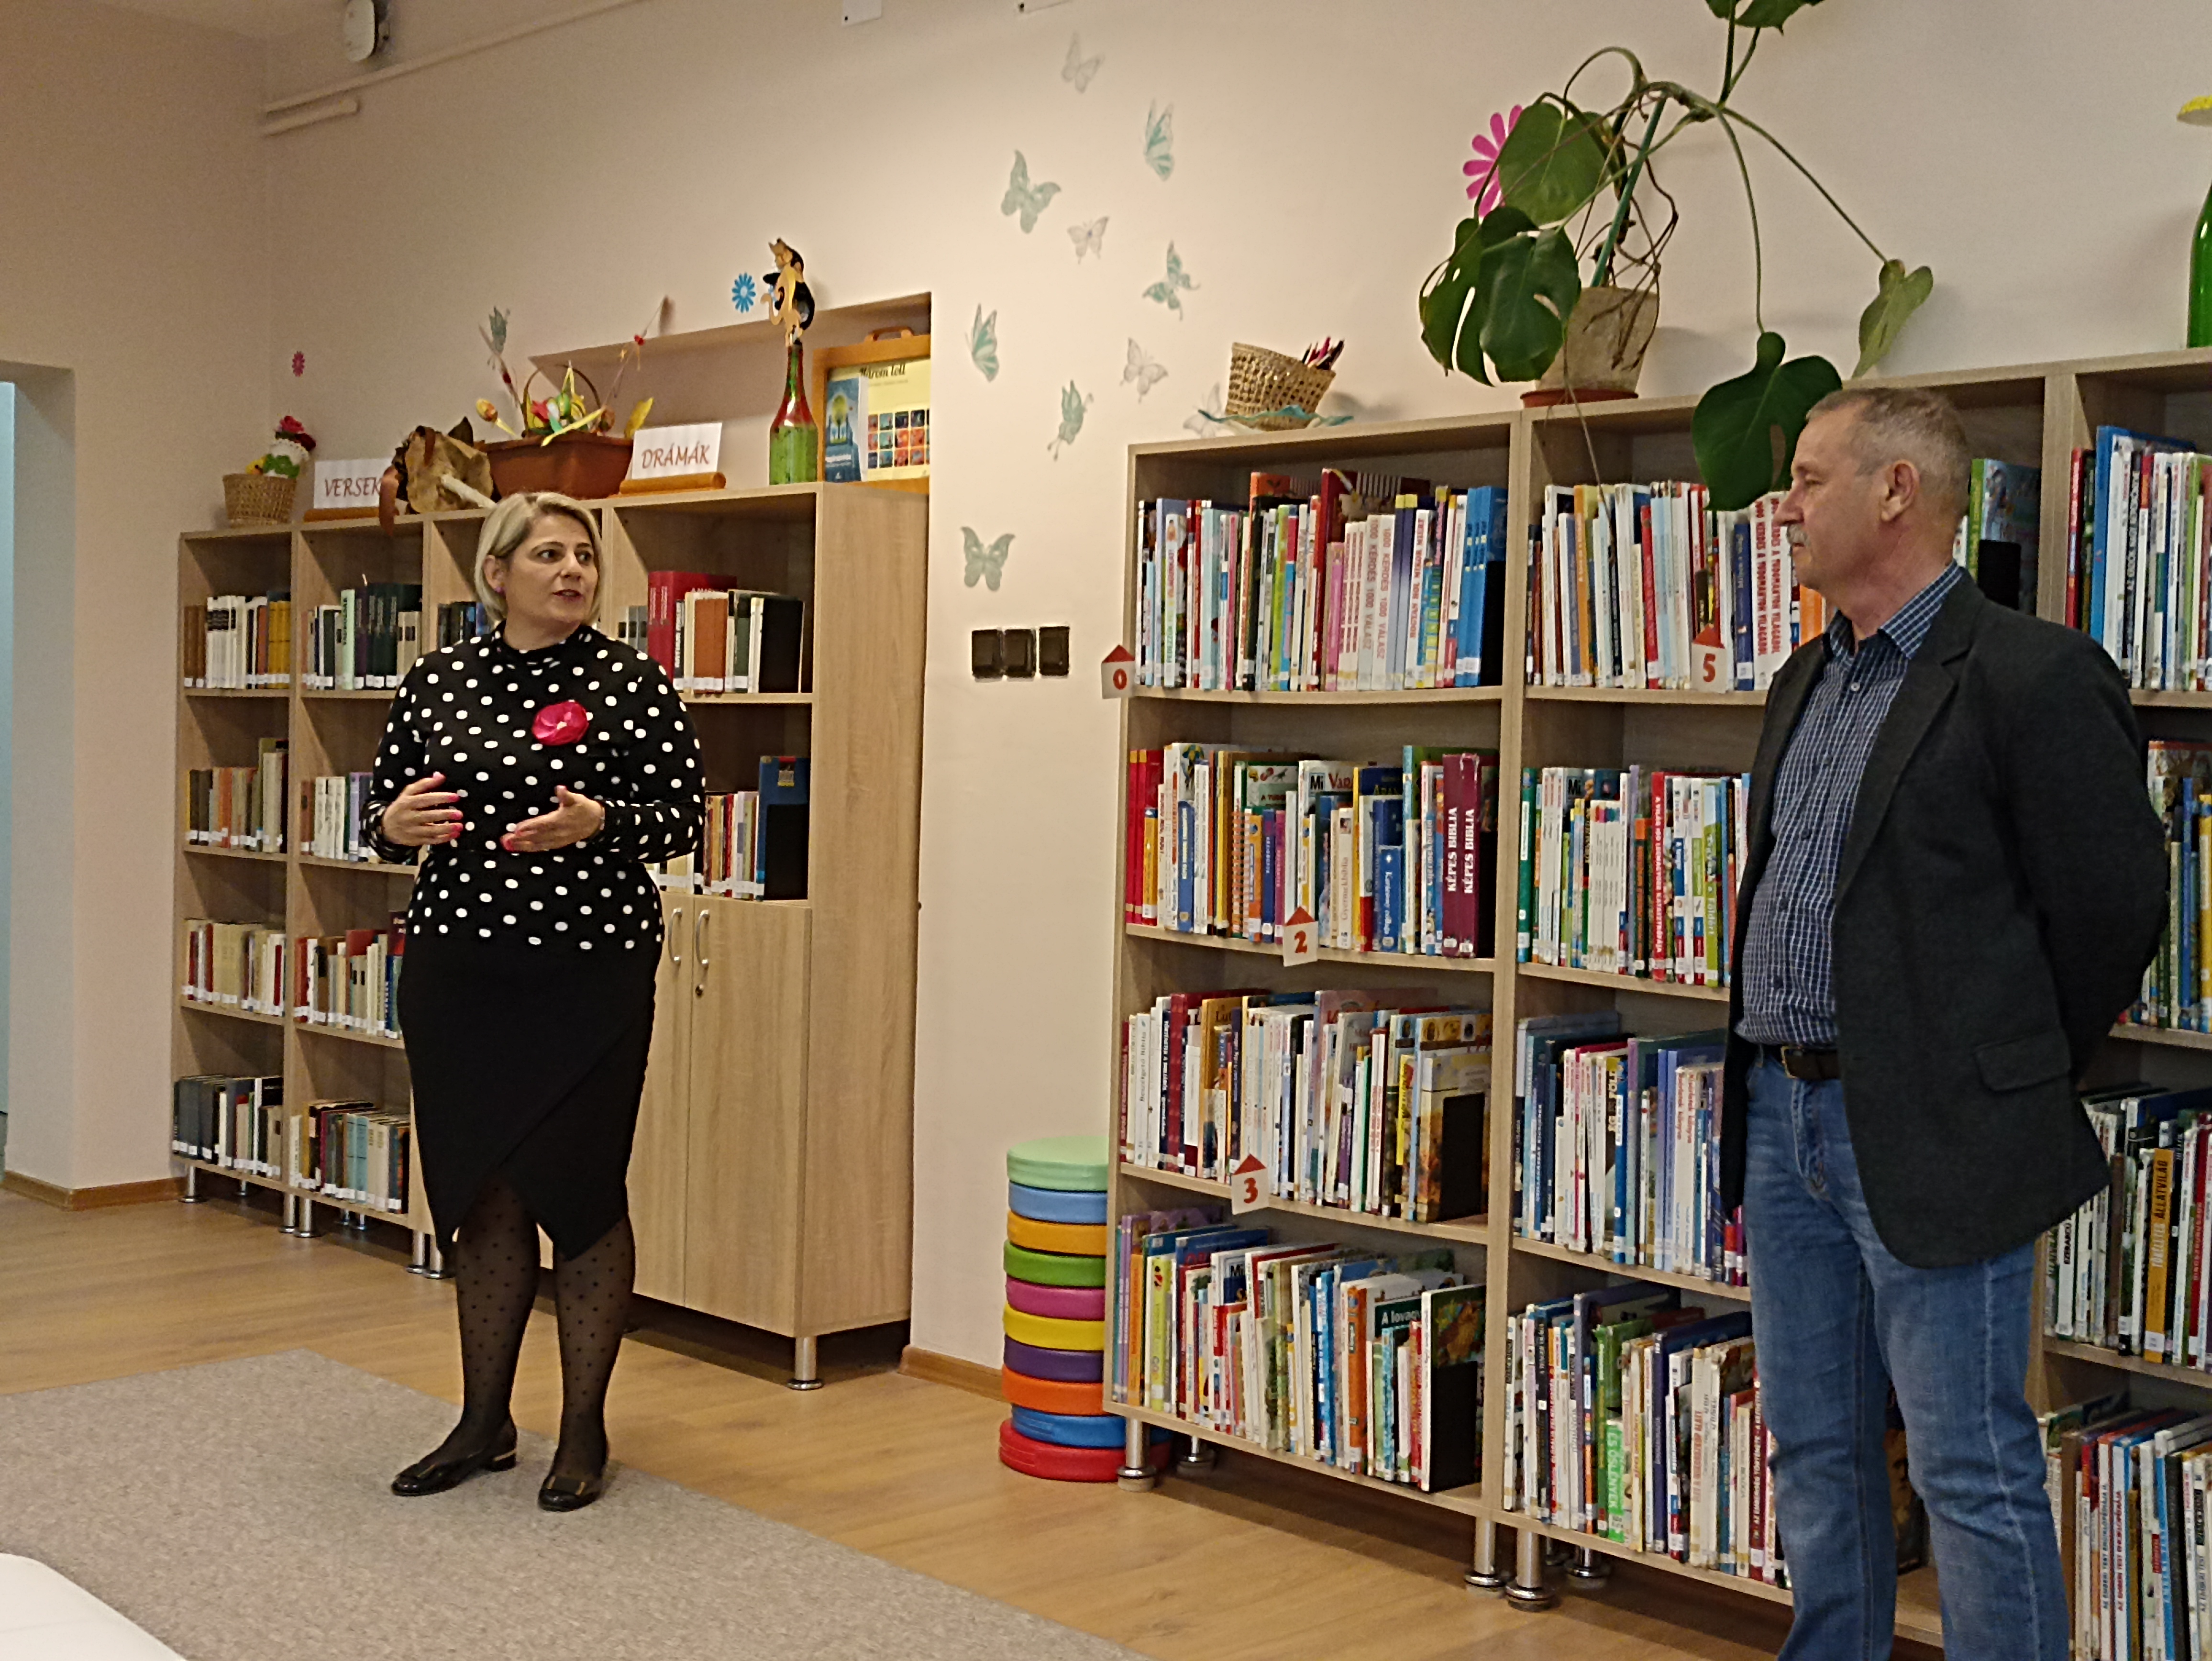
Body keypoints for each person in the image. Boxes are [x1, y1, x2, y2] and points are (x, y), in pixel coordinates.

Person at [1724, 385, 2166, 1660]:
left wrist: (1999, 1072)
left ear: (1895, 491)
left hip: (1938, 1126)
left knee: (1969, 1463)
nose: (1783, 506)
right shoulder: (1805, 677)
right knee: (1814, 1446)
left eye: (1809, 478)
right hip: (1784, 1117)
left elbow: (2111, 907)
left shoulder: (2033, 675)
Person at [364, 490, 704, 1512]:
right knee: (482, 1192)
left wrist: (602, 823)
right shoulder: (439, 679)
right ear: (497, 573)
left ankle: (584, 1428)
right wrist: (393, 826)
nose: (572, 571)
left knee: (582, 1190)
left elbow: (682, 817)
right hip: (461, 974)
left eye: (584, 555)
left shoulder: (631, 681)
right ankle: (484, 1421)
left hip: (586, 976)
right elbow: (385, 812)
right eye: (549, 554)